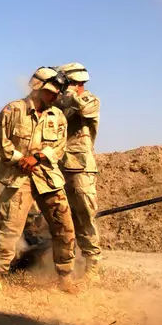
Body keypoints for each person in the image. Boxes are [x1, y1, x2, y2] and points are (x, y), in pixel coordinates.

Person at [0, 66, 78, 292]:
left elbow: (59, 147)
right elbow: (0, 141)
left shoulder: (57, 116)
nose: (56, 97)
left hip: (48, 178)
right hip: (19, 179)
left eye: (58, 93)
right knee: (9, 230)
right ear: (38, 87)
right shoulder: (13, 110)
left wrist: (37, 158)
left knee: (64, 227)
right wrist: (20, 159)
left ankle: (65, 276)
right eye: (52, 92)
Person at [56, 62, 103, 281]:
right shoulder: (60, 103)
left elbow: (82, 107)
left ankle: (92, 266)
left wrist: (68, 91)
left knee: (85, 216)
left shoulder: (89, 100)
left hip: (81, 168)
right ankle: (64, 266)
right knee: (62, 218)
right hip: (59, 167)